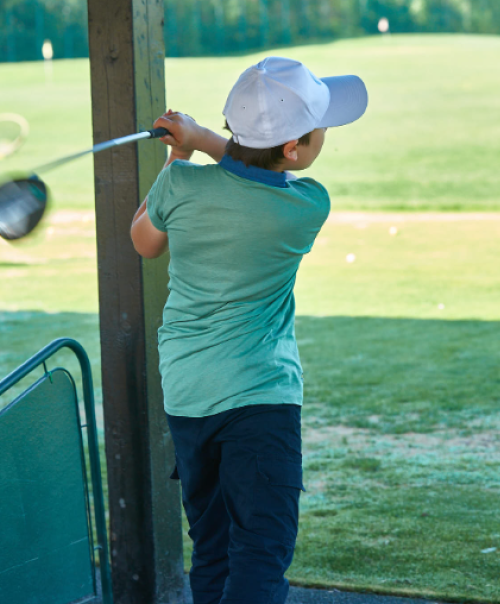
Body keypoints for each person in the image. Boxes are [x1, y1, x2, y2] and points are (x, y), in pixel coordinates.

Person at [130, 57, 367, 604]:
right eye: (320, 128)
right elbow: (250, 174)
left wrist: (181, 149)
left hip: (188, 396)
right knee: (261, 550)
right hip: (260, 397)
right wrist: (204, 140)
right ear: (294, 150)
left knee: (211, 548)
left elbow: (145, 241)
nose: (324, 134)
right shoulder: (305, 206)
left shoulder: (179, 186)